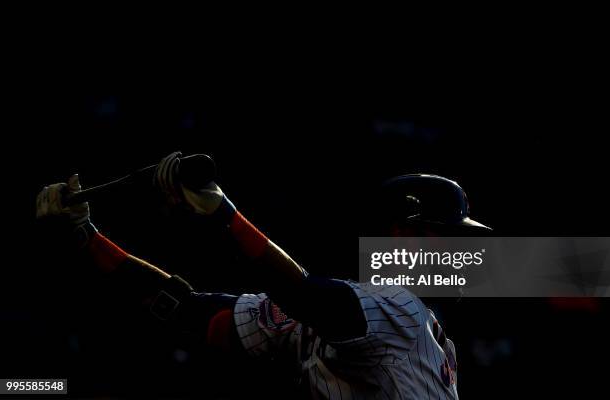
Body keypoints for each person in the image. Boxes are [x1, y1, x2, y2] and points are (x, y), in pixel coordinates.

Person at [36, 152, 476, 399]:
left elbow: (184, 309)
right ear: (400, 236)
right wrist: (224, 216)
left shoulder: (383, 317)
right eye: (447, 237)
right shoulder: (400, 309)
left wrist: (83, 236)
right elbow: (201, 312)